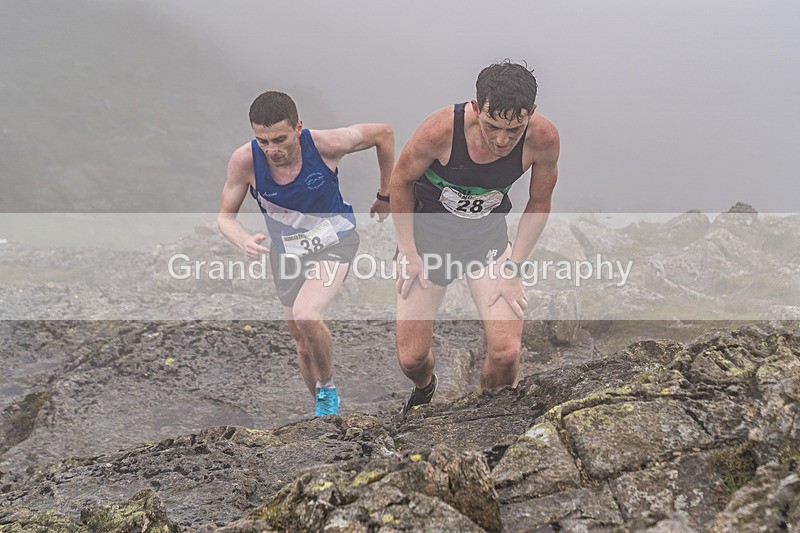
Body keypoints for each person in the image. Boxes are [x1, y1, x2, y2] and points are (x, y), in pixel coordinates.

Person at [390, 60, 560, 413]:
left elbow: (539, 202)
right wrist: (408, 251)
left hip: (486, 243)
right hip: (428, 242)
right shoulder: (440, 131)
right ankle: (425, 387)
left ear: (531, 113)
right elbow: (401, 180)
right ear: (475, 107)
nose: (502, 140)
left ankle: (487, 416)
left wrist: (514, 267)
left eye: (514, 130)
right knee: (412, 359)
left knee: (506, 353)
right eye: (491, 126)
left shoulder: (543, 139)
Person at [218, 91, 394, 417]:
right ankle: (324, 414)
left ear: (298, 127)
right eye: (263, 141)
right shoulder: (245, 161)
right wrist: (243, 240)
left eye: (280, 139)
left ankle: (327, 388)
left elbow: (383, 134)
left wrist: (386, 194)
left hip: (335, 240)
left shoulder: (326, 145)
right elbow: (224, 218)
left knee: (307, 315)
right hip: (288, 254)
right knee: (302, 345)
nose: (272, 150)